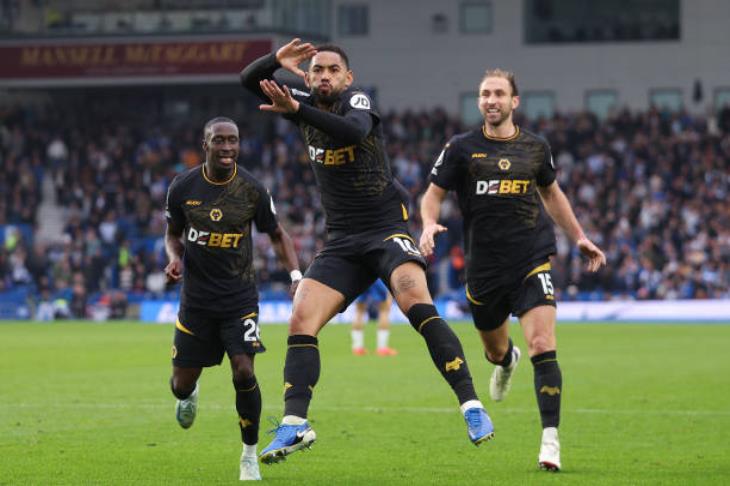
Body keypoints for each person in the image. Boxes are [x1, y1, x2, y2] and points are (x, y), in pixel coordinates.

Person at [240, 39, 494, 464]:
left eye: (332, 70)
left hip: (384, 231)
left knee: (415, 301)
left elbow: (355, 130)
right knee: (301, 317)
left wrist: (298, 110)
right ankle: (295, 424)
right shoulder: (299, 98)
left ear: (347, 76)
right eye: (317, 70)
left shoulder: (355, 100)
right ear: (308, 76)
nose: (324, 76)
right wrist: (274, 62)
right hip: (342, 240)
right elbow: (248, 81)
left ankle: (472, 406)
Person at [419, 69, 607, 472]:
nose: (491, 100)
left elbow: (551, 193)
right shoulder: (460, 148)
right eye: (485, 94)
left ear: (514, 101)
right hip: (484, 268)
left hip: (532, 258)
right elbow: (432, 195)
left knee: (543, 343)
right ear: (479, 101)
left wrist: (578, 238)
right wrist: (428, 223)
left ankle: (550, 441)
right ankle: (506, 363)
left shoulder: (536, 148)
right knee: (495, 350)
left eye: (499, 94)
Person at [164, 117, 301, 481]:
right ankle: (188, 394)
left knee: (243, 369)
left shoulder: (253, 189)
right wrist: (175, 257)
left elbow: (276, 234)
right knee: (180, 384)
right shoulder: (183, 187)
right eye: (219, 141)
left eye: (233, 141)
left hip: (240, 298)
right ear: (205, 143)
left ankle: (249, 453)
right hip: (195, 301)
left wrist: (295, 275)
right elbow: (172, 234)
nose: (227, 147)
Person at [351, 280, 397, 356]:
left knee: (359, 311)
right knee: (384, 310)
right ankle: (382, 348)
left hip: (360, 277)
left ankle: (357, 348)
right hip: (376, 277)